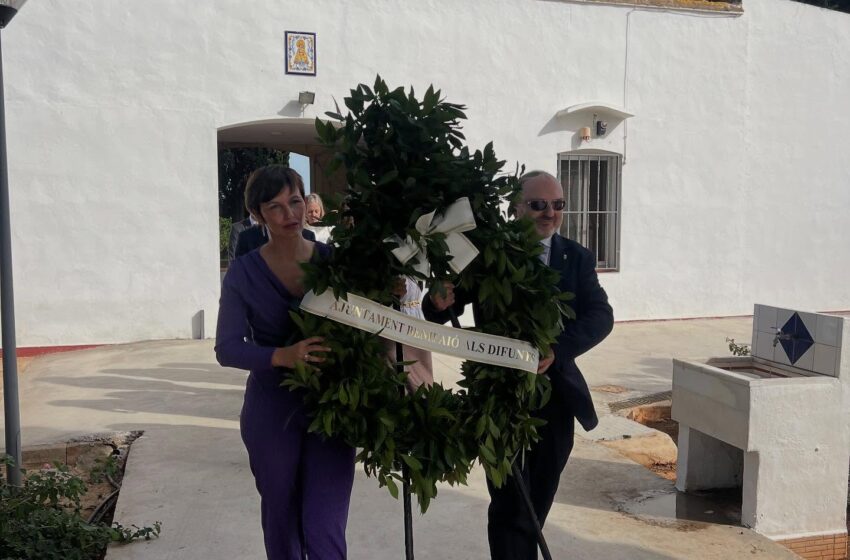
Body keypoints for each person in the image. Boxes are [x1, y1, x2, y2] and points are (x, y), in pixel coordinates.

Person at [423, 170, 614, 560]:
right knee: (511, 504)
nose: (550, 213)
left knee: (536, 503)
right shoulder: (489, 254)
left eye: (558, 205)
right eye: (539, 204)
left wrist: (556, 349)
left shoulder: (576, 258)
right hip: (499, 399)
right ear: (515, 208)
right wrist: (438, 301)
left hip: (555, 399)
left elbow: (601, 316)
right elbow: (443, 306)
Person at [215, 165, 354, 559]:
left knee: (325, 524)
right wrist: (282, 356)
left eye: (294, 201)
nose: (289, 214)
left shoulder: (334, 263)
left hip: (332, 408)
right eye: (274, 207)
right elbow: (227, 347)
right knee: (282, 519)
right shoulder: (243, 272)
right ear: (257, 215)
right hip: (272, 411)